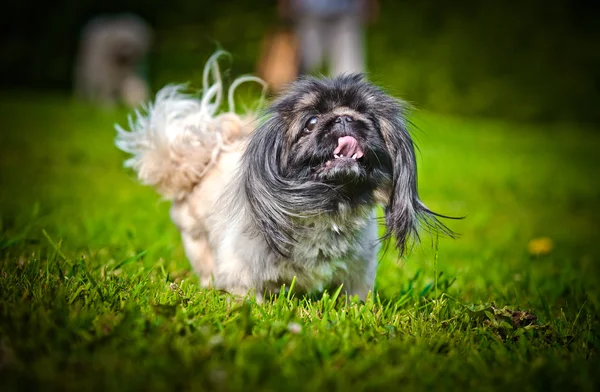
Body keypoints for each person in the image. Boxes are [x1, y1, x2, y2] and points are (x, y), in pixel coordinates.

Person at [279, 0, 378, 76]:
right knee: (303, 67)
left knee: (349, 72)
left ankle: (348, 99)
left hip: (345, 14)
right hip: (309, 13)